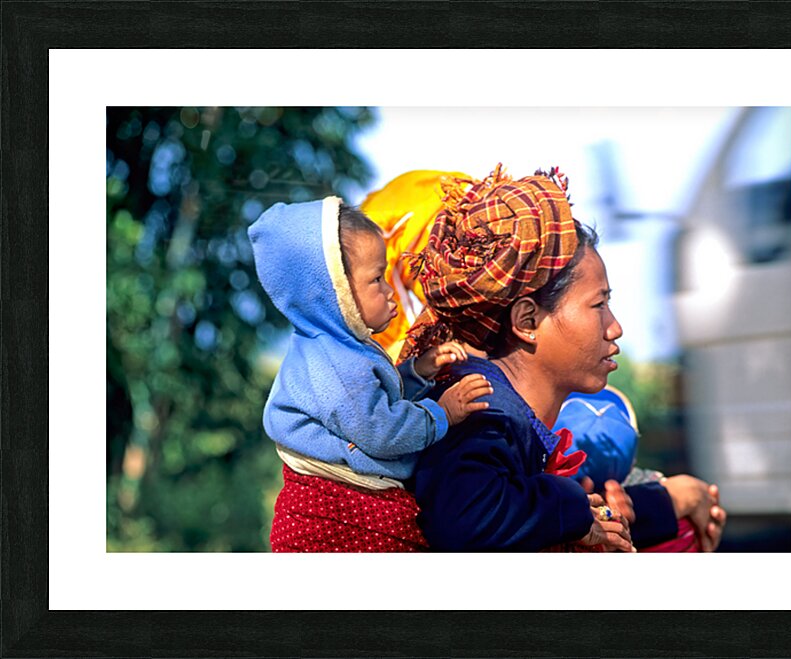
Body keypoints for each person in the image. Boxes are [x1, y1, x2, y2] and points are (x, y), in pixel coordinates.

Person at [404, 165, 726, 551]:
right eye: (599, 304)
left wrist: (666, 501)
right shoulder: (481, 411)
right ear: (527, 320)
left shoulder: (511, 414)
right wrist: (570, 506)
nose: (615, 328)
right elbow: (463, 519)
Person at [248, 198, 491, 552]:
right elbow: (380, 431)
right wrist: (443, 413)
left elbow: (371, 403)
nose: (391, 292)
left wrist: (415, 372)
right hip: (339, 510)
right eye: (377, 279)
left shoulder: (338, 346)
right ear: (334, 293)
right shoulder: (335, 361)